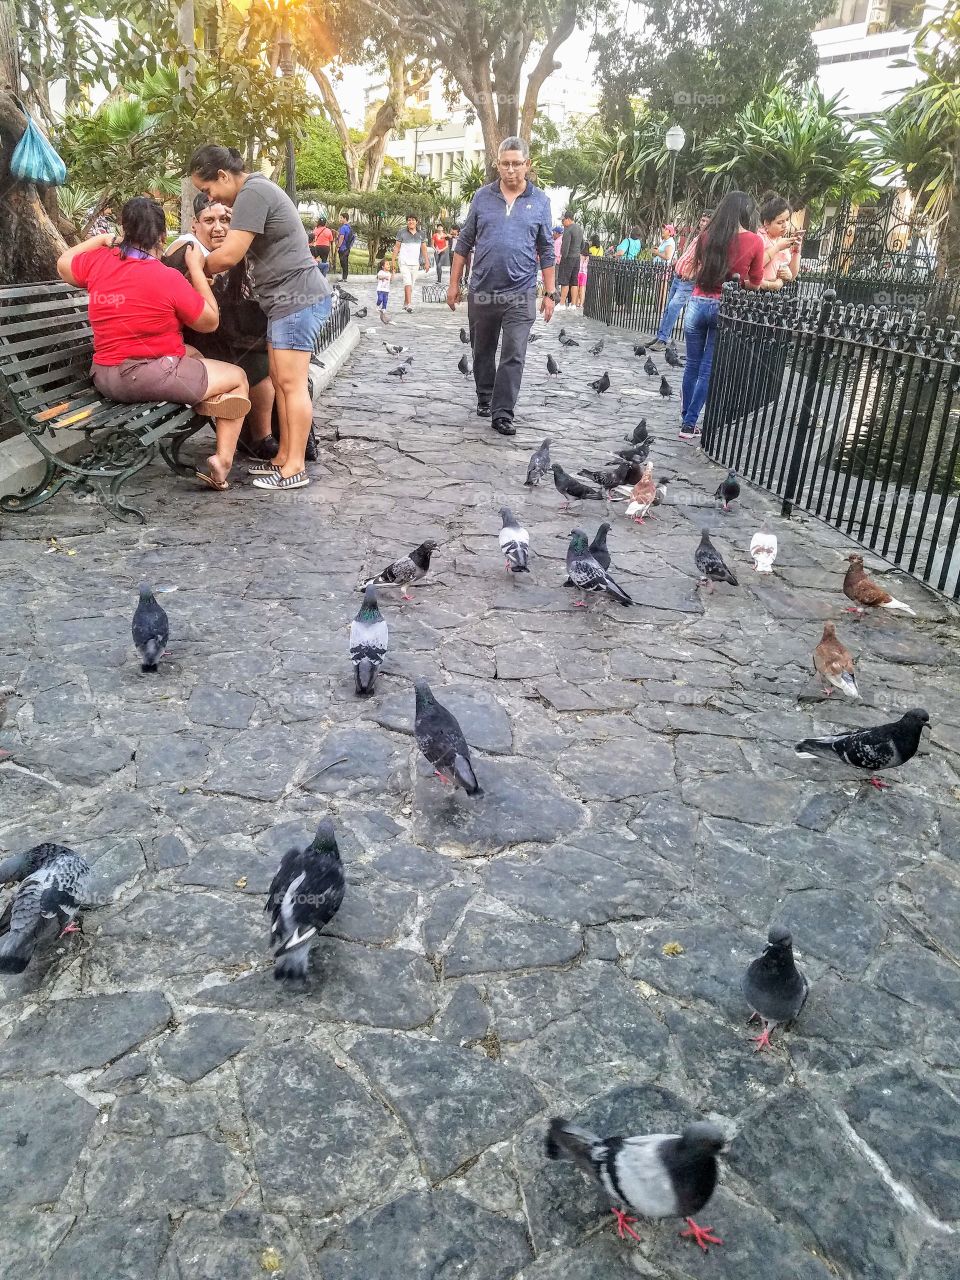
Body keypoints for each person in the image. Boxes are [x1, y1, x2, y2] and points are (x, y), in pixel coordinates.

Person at [56, 195, 250, 493]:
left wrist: (103, 240)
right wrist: (196, 270)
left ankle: (206, 399)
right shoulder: (167, 277)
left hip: (104, 374)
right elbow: (210, 321)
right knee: (237, 378)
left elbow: (63, 263)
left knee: (194, 354)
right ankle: (222, 461)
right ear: (161, 235)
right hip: (143, 377)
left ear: (124, 229)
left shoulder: (99, 261)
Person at [190, 143, 333, 493]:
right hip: (286, 302)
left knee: (291, 384)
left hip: (296, 299)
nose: (209, 199)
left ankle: (295, 467)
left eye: (207, 190)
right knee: (280, 380)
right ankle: (283, 457)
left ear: (223, 176)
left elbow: (231, 254)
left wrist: (195, 266)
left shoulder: (253, 192)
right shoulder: (253, 192)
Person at [447, 135, 556, 438]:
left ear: (527, 165)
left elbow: (546, 250)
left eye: (516, 164)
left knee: (514, 352)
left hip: (520, 293)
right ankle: (485, 395)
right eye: (505, 164)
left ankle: (503, 412)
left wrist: (550, 293)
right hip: (482, 289)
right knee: (482, 348)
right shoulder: (483, 197)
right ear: (497, 164)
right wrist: (454, 284)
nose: (510, 170)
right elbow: (464, 243)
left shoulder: (541, 202)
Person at [164, 192, 277, 464]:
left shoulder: (228, 252)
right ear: (195, 224)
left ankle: (262, 437)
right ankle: (261, 439)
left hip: (218, 336)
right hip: (192, 340)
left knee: (273, 358)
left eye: (226, 220)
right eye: (209, 220)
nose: (218, 227)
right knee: (259, 364)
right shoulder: (185, 251)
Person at [679, 190, 764, 441]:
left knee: (691, 366)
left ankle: (686, 419)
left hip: (696, 302)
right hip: (723, 307)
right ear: (746, 213)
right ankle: (689, 424)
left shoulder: (706, 237)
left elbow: (696, 268)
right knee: (706, 369)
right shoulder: (755, 241)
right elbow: (756, 282)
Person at [648, 209, 713, 352]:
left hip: (687, 281)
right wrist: (678, 262)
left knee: (673, 308)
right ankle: (660, 336)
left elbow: (705, 261)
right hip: (678, 276)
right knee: (668, 308)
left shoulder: (708, 239)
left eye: (706, 221)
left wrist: (692, 273)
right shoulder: (699, 237)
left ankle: (663, 339)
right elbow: (690, 256)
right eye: (702, 220)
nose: (702, 223)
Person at [758, 193, 802, 292]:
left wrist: (796, 251)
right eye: (780, 222)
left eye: (787, 220)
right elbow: (754, 266)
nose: (785, 225)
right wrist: (777, 247)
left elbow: (792, 276)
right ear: (767, 223)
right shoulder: (760, 238)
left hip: (778, 294)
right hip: (758, 292)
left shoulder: (783, 240)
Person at [392, 214, 431, 312]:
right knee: (407, 282)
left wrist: (427, 262)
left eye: (413, 220)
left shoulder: (421, 234)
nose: (411, 222)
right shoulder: (401, 232)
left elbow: (424, 249)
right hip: (404, 261)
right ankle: (409, 304)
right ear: (407, 222)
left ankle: (405, 303)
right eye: (409, 220)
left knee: (411, 285)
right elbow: (397, 247)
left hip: (415, 263)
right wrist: (393, 261)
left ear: (416, 222)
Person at [557, 210, 585, 310]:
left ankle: (562, 303)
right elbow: (583, 244)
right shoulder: (580, 229)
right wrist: (577, 252)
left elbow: (565, 247)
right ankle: (573, 304)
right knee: (574, 281)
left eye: (563, 220)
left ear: (568, 219)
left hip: (568, 258)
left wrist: (563, 256)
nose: (562, 223)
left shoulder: (568, 229)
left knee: (565, 281)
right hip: (577, 258)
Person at [336, 212, 354, 281]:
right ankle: (345, 278)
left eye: (341, 218)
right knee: (345, 262)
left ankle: (344, 278)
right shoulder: (349, 227)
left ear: (345, 218)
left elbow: (341, 237)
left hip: (342, 248)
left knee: (343, 262)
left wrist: (338, 246)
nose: (340, 219)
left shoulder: (343, 227)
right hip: (347, 247)